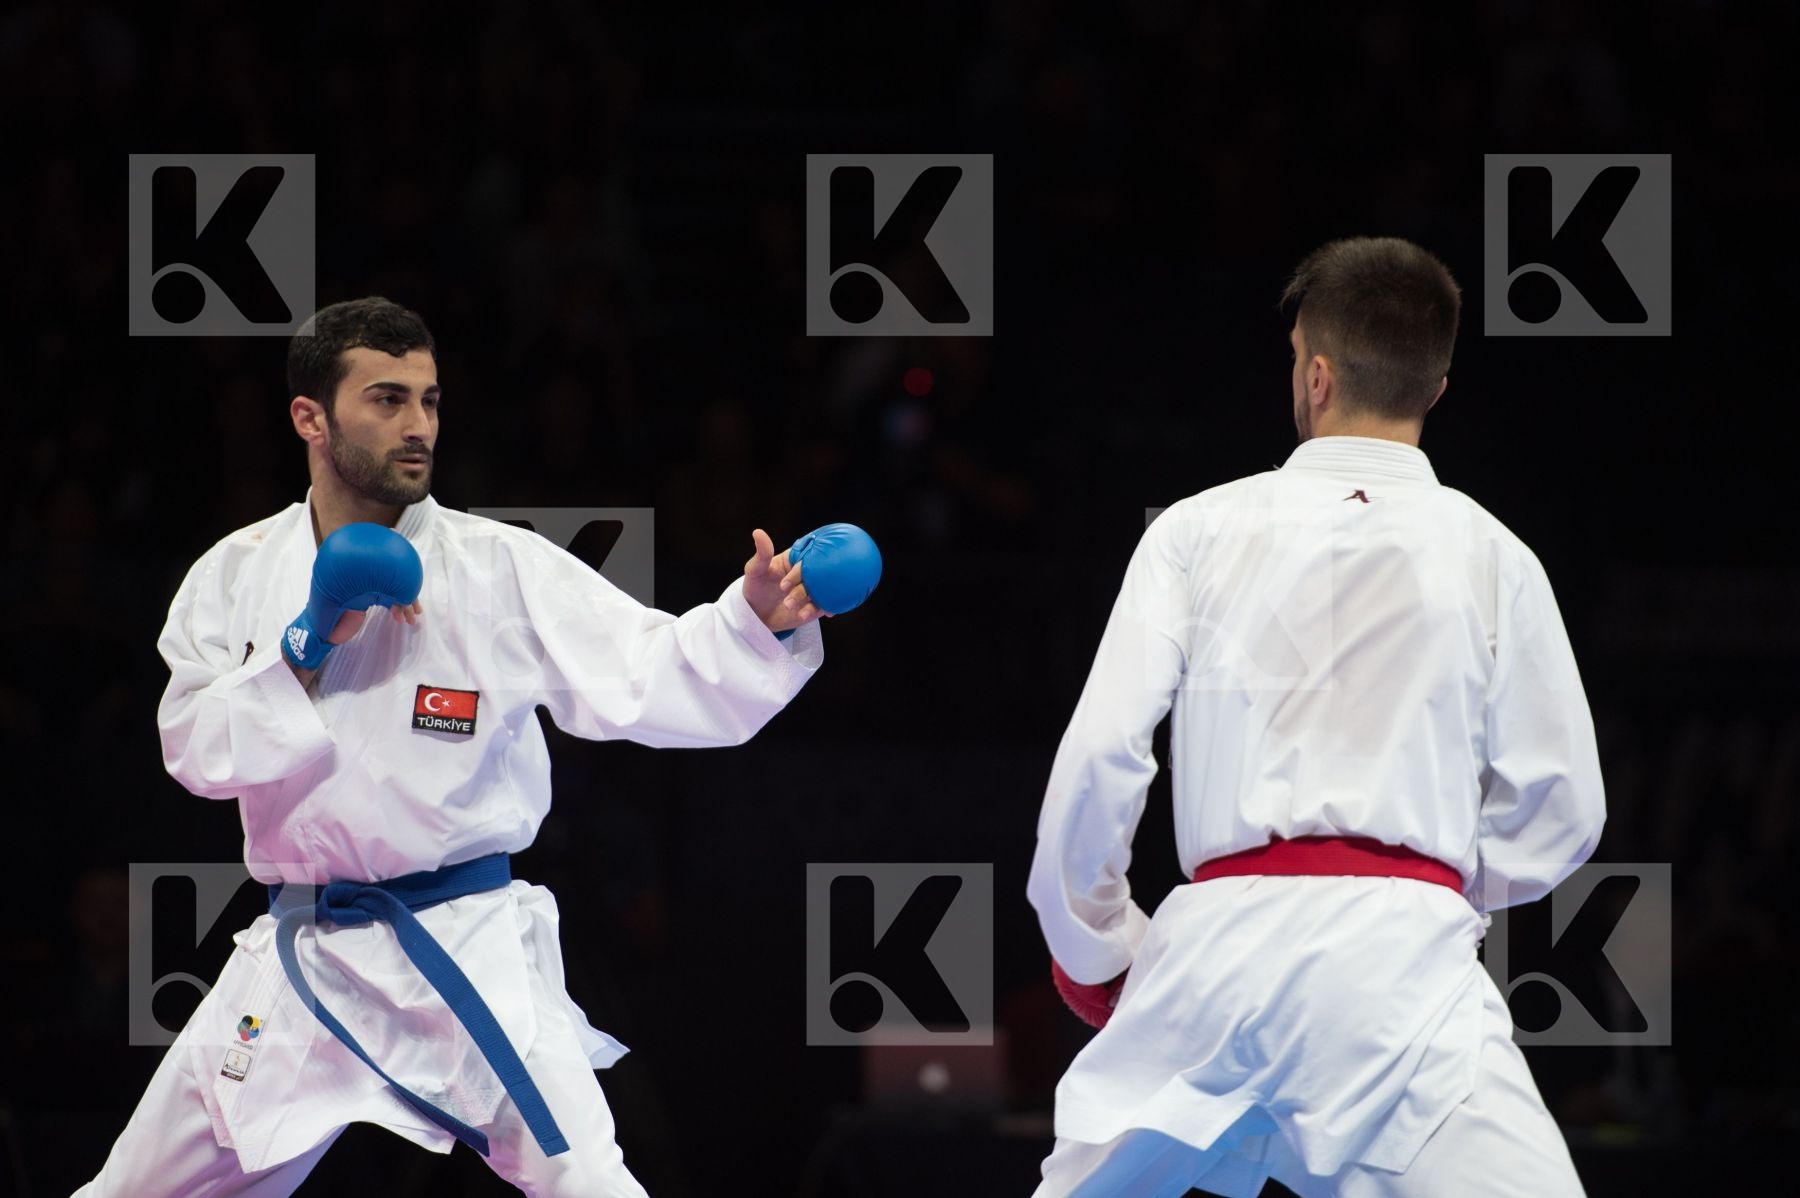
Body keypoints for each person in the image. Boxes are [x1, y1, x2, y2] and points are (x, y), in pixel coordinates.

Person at [79, 297, 829, 1197]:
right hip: (301, 948)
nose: (417, 427)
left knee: (590, 1185)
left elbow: (651, 671)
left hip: (464, 946)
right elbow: (193, 752)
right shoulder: (234, 574)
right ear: (309, 418)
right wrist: (308, 644)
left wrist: (749, 626)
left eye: (429, 402)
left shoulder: (498, 566)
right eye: (387, 400)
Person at [1027, 237, 1605, 1197]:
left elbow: (1101, 754)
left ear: (1318, 375)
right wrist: (1439, 879)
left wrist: (1096, 945)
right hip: (1403, 976)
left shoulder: (1193, 529)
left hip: (1212, 958)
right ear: (1437, 388)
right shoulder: (1496, 555)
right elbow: (1565, 807)